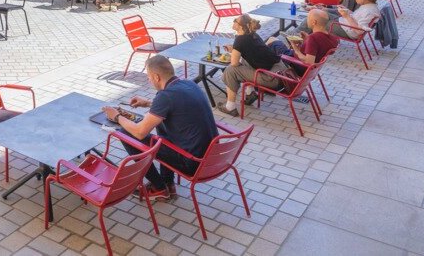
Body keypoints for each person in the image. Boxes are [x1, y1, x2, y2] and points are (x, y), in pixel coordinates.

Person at [101, 55, 218, 198]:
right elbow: (176, 105)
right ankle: (168, 182)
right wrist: (149, 103)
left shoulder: (165, 96)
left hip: (192, 164)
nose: (148, 80)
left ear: (156, 77)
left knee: (126, 134)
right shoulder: (188, 84)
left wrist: (117, 117)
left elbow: (139, 133)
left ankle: (159, 187)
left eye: (149, 77)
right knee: (162, 122)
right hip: (211, 157)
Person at [220, 14, 289, 117]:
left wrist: (234, 51)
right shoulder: (253, 35)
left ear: (241, 26)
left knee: (231, 70)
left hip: (272, 78)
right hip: (280, 72)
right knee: (245, 59)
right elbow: (251, 53)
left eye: (235, 20)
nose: (233, 21)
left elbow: (234, 63)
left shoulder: (240, 39)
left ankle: (230, 107)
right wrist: (234, 49)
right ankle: (250, 93)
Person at [268, 8, 339, 70]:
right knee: (272, 42)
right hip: (309, 70)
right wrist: (306, 40)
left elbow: (309, 62)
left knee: (272, 40)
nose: (306, 20)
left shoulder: (313, 38)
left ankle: (266, 73)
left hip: (296, 65)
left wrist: (296, 49)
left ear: (314, 22)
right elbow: (320, 47)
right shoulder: (333, 38)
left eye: (308, 18)